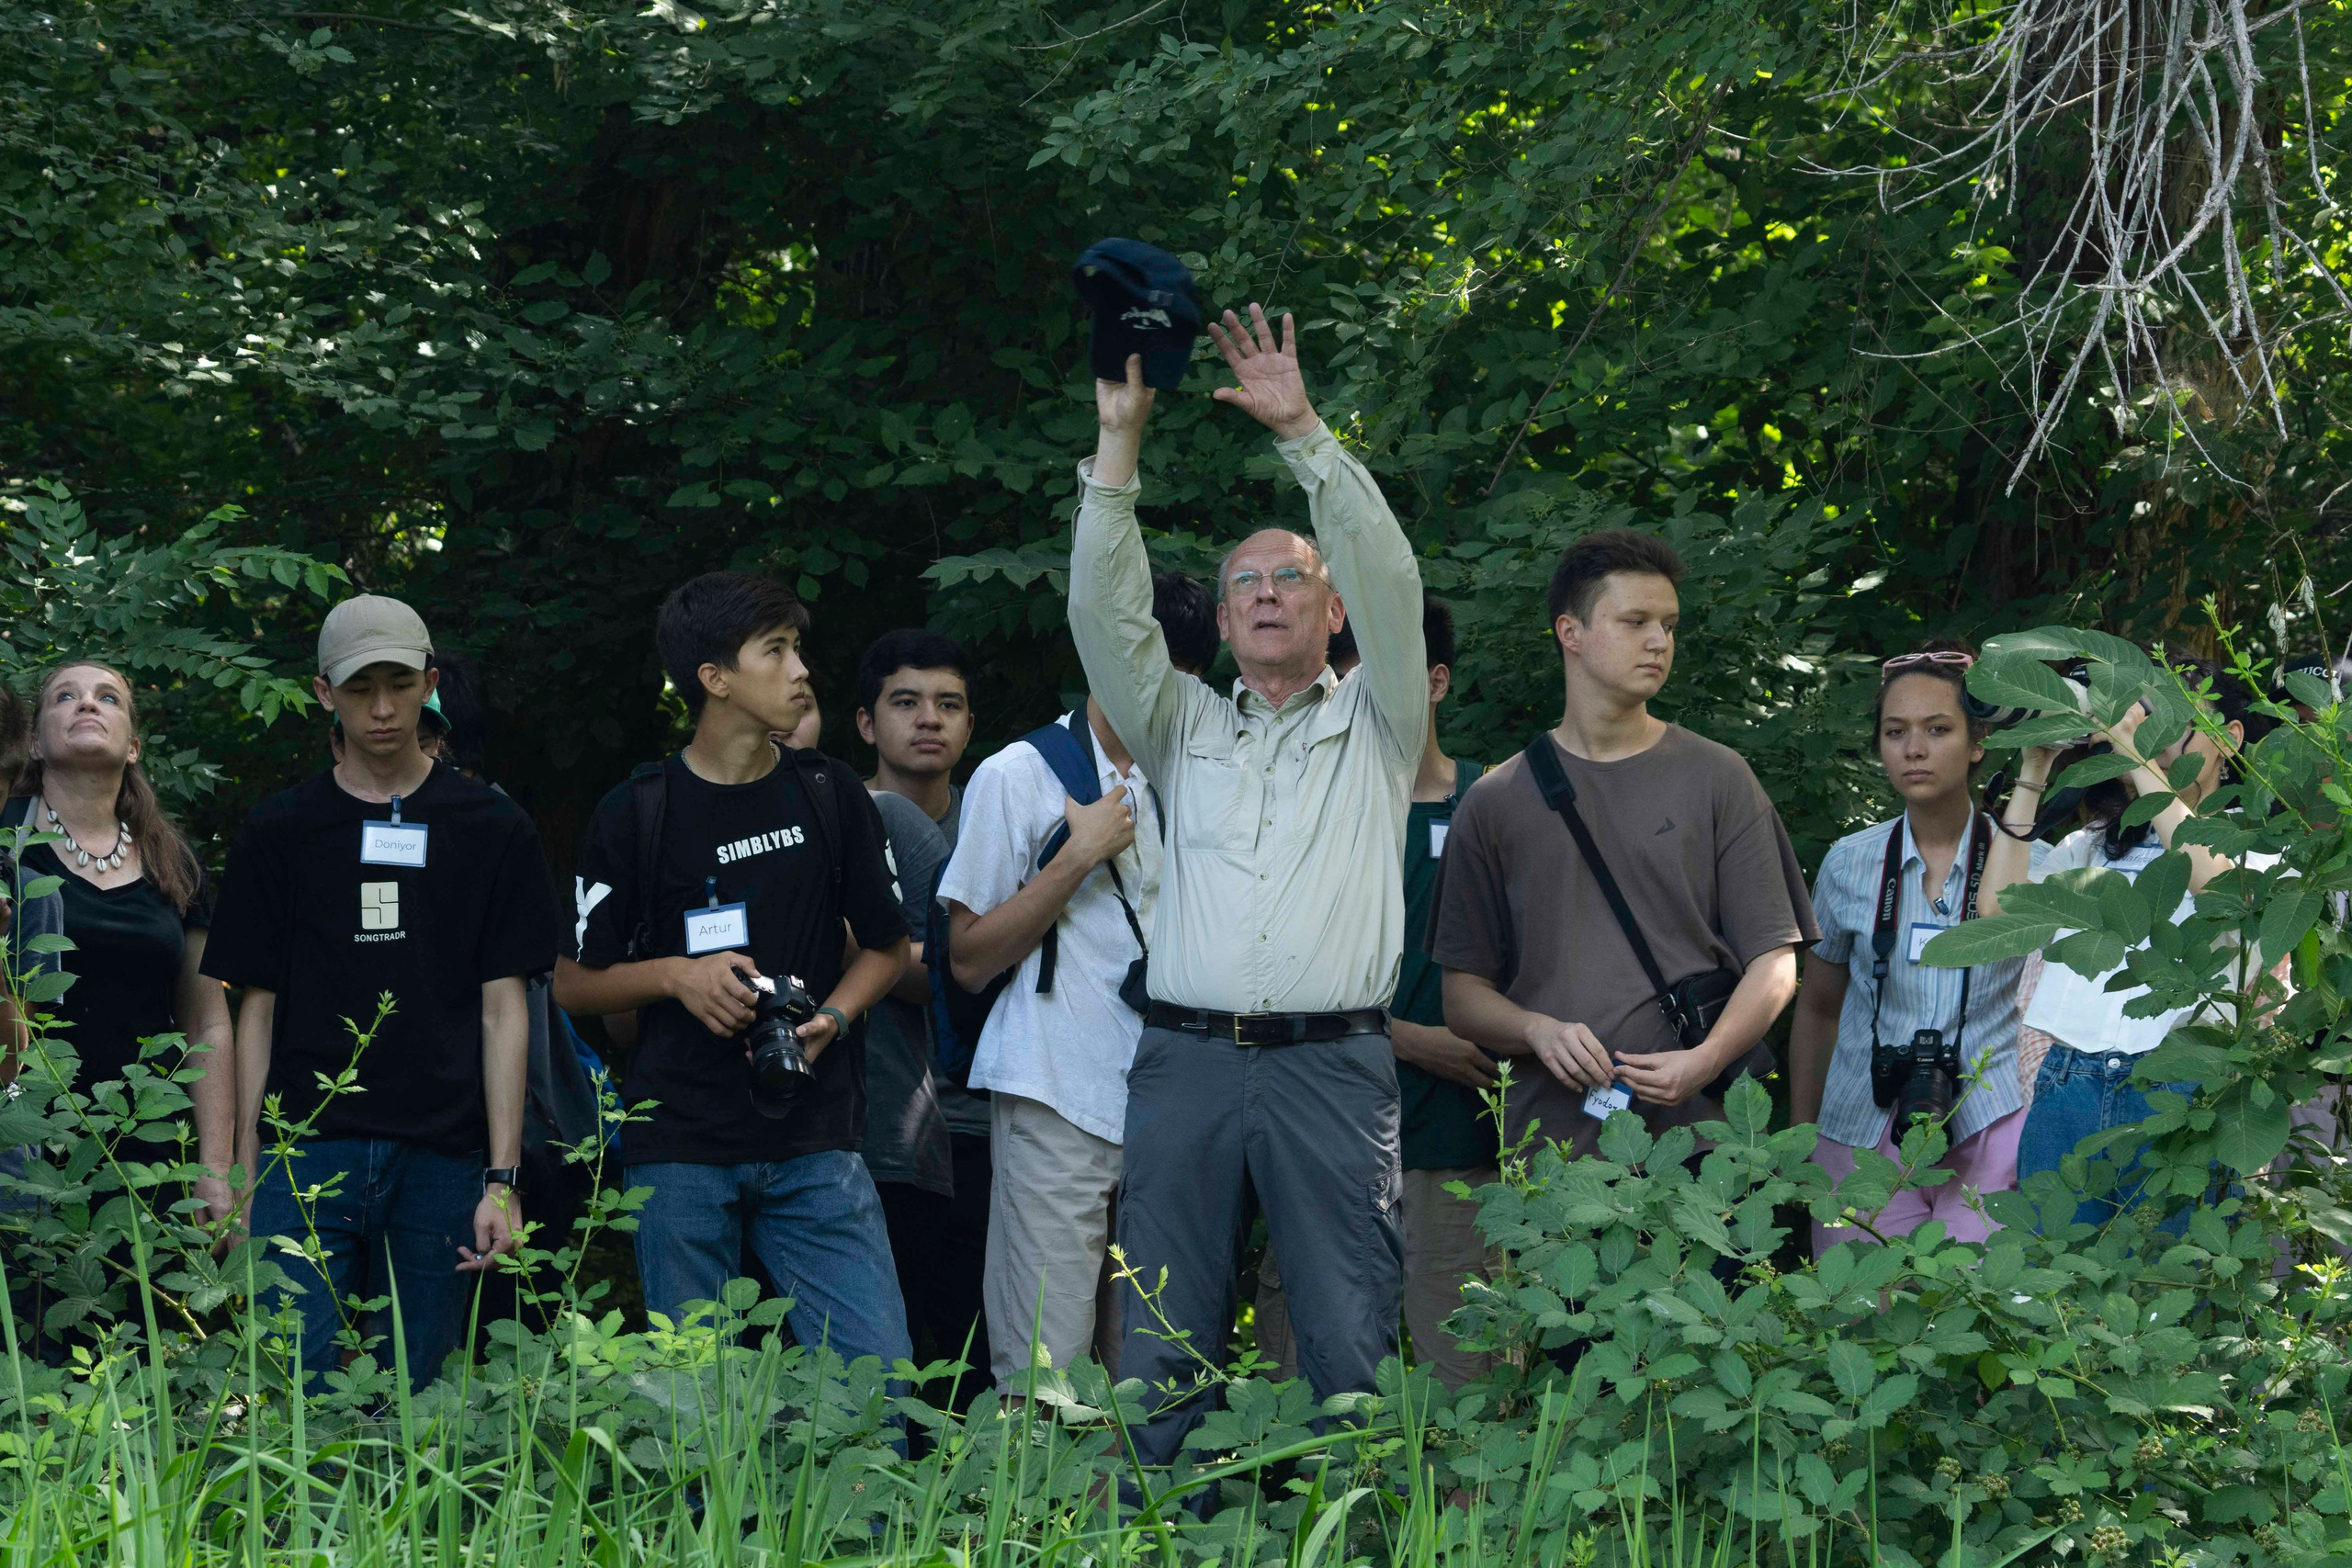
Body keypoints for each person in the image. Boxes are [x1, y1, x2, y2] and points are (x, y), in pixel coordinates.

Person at [1069, 304, 1427, 1468]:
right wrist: (1118, 448)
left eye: (1293, 578)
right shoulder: (1178, 726)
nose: (1268, 592)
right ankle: (1155, 1538)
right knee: (1163, 1337)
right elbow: (1104, 621)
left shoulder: (1381, 719)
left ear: (1333, 615)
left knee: (1347, 1341)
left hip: (1333, 1065)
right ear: (1221, 623)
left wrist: (1305, 435)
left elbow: (1390, 573)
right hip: (1184, 1065)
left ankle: (1361, 1538)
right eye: (1245, 584)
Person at [552, 573, 913, 1371]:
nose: (800, 671)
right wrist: (678, 977)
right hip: (679, 1144)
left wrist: (836, 1020)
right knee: (698, 1411)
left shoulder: (829, 791)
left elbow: (888, 948)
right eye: (775, 651)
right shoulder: (636, 810)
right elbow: (573, 981)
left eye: (797, 649)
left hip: (815, 1138)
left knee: (877, 1386)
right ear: (715, 679)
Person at [206, 595, 561, 1391]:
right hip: (306, 1151)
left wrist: (501, 1181)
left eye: (400, 683)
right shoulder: (281, 828)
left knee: (420, 1398)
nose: (382, 707)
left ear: (429, 684)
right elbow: (252, 1006)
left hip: (443, 1151)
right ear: (324, 692)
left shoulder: (490, 826)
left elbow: (505, 1008)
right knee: (297, 1396)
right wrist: (244, 1167)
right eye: (360, 686)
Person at [1432, 531, 1815, 1160]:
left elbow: (1776, 964)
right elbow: (1462, 996)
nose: (1660, 641)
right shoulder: (1497, 798)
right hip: (1553, 1149)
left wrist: (1705, 1058)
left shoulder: (1719, 777)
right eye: (1636, 621)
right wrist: (1536, 1029)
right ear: (1570, 632)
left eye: (1669, 624)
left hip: (1703, 1142)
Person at [937, 573, 1213, 1393]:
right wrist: (1078, 853)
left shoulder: (1204, 772)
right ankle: (1036, 1521)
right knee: (1045, 1366)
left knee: (1155, 1360)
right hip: (1055, 1087)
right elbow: (969, 955)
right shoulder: (1016, 774)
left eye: (1174, 680)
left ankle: (1143, 1522)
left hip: (1172, 1099)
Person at [1257, 594, 1500, 1389]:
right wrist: (1409, 1036)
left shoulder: (1490, 806)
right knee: (1301, 1383)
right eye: (1348, 676)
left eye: (1382, 676)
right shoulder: (1295, 813)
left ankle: (1457, 1519)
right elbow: (1262, 975)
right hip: (1321, 1134)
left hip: (1460, 1143)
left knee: (1466, 1376)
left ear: (1434, 681)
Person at [1984, 653, 2260, 1225]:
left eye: (2171, 726)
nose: (2155, 743)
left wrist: (2135, 753)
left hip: (2180, 1093)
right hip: (2068, 1088)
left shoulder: (2257, 848)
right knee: (2051, 1292)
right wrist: (2036, 766)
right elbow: (1997, 913)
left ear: (2229, 738)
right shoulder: (2090, 848)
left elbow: (2222, 894)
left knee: (2171, 1294)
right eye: (2144, 725)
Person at [1789, 644, 2026, 1250]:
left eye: (1937, 729)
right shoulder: (1850, 863)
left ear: (1978, 742)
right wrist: (1800, 1137)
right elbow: (1816, 1005)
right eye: (1895, 732)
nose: (1913, 749)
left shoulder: (2031, 866)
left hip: (1986, 1128)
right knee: (1859, 1321)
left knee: (1972, 1326)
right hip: (1860, 1124)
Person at [6, 662, 235, 1230]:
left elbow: (208, 1025)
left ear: (132, 746)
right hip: (27, 1153)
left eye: (107, 697)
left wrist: (213, 1167)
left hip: (153, 1154)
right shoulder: (7, 849)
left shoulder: (173, 862)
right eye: (65, 696)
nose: (87, 704)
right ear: (33, 741)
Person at [854, 628, 989, 1391]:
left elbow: (982, 970)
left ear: (970, 725)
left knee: (975, 1347)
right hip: (869, 1129)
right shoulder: (827, 819)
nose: (929, 719)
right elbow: (962, 964)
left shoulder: (1001, 823)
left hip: (986, 1123)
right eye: (905, 702)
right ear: (868, 724)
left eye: (949, 704)